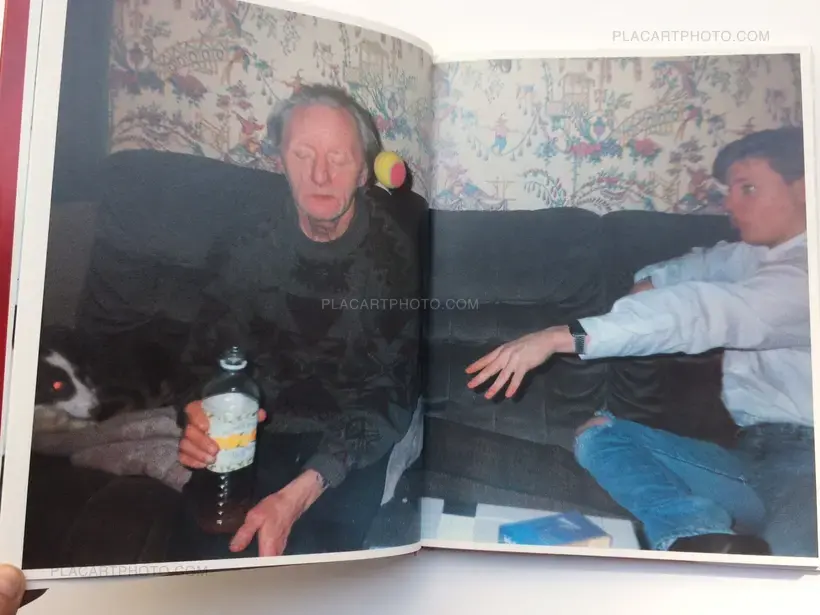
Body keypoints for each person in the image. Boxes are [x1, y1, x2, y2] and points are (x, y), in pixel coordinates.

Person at [465, 126, 815, 557]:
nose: (730, 204)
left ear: (803, 189)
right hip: (749, 459)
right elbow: (696, 266)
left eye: (749, 189)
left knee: (789, 575)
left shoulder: (804, 276)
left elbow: (704, 311)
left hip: (807, 463)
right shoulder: (756, 253)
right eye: (731, 191)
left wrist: (560, 336)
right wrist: (651, 282)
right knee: (599, 435)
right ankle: (697, 534)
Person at [169, 84, 421, 559]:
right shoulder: (246, 240)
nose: (320, 174)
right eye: (303, 154)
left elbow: (391, 390)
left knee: (317, 570)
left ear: (363, 172)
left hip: (350, 437)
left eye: (338, 157)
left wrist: (301, 492)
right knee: (202, 560)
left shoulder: (394, 256)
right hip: (256, 425)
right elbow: (203, 354)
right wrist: (196, 410)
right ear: (281, 161)